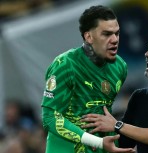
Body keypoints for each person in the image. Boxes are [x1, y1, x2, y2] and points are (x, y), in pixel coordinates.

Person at [41, 5, 135, 153]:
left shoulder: (120, 67)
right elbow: (50, 118)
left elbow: (103, 112)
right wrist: (96, 141)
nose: (115, 39)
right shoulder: (65, 65)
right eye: (107, 34)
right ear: (88, 37)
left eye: (117, 33)